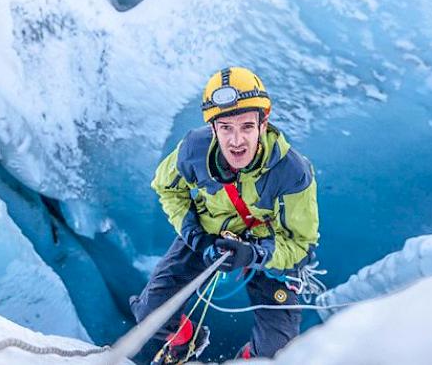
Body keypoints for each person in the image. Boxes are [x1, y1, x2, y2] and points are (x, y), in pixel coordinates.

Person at [129, 67, 319, 363]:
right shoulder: (194, 150)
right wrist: (197, 237)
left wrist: (253, 255)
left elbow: (301, 246)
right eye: (226, 128)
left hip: (267, 249)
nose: (236, 140)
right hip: (208, 233)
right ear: (213, 128)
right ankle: (182, 346)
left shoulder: (292, 172)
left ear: (263, 123)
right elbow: (166, 188)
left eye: (246, 126)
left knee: (277, 352)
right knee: (151, 313)